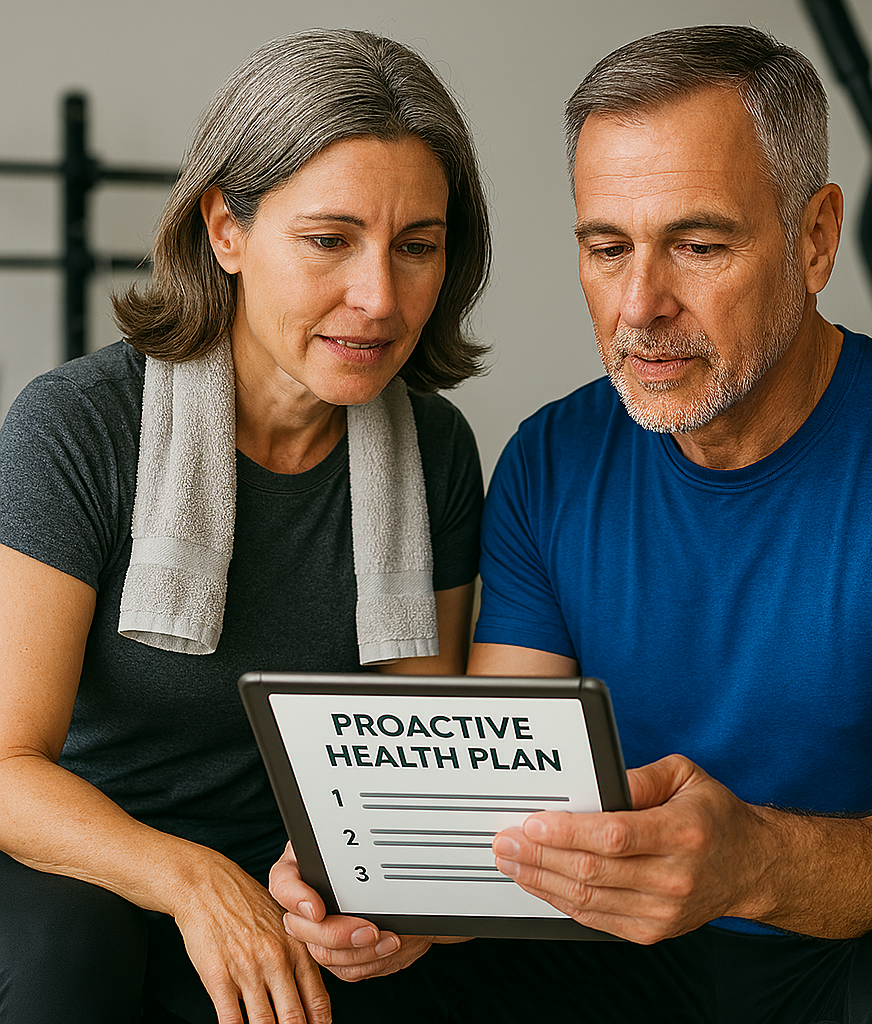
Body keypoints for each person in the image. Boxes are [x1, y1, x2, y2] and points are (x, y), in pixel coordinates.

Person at [270, 25, 872, 1023]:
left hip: (859, 947)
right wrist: (392, 893)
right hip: (625, 950)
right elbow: (498, 801)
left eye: (698, 245)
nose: (639, 304)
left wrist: (758, 863)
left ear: (814, 238)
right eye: (606, 247)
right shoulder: (550, 461)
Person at [0, 28, 490, 1024]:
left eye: (417, 246)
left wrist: (358, 901)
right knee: (73, 950)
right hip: (76, 857)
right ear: (225, 229)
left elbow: (410, 757)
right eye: (329, 239)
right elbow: (7, 765)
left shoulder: (433, 451)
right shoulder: (79, 424)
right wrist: (191, 880)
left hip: (287, 874)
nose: (379, 298)